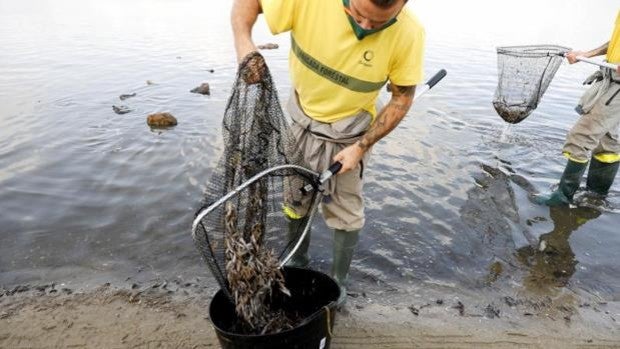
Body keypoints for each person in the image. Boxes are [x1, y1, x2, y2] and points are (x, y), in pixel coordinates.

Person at [231, 0, 425, 305]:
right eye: (359, 15)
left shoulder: (410, 33)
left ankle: (338, 282)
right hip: (300, 122)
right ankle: (297, 260)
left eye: (380, 23)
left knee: (346, 211)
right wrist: (245, 43)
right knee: (295, 199)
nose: (366, 28)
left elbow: (401, 99)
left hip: (351, 134)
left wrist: (361, 148)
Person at [537, 10, 620, 206]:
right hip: (611, 78)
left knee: (581, 136)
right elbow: (614, 44)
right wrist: (587, 54)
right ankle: (596, 196)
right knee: (607, 142)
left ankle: (563, 197)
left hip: (616, 90)